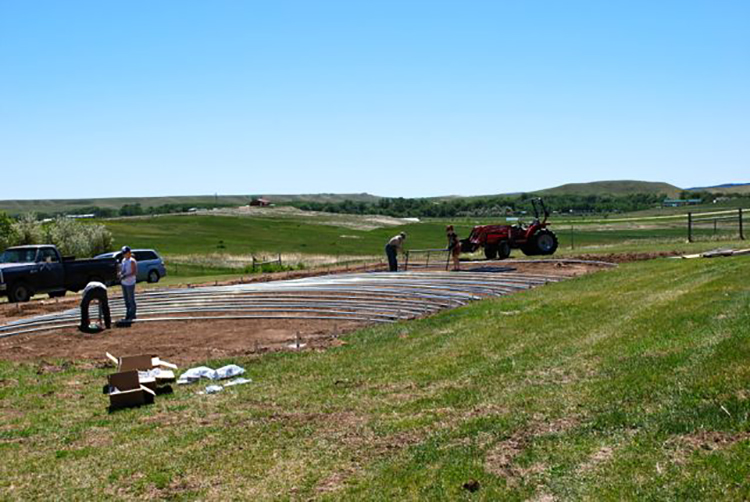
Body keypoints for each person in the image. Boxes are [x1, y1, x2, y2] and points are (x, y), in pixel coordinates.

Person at [119, 246, 138, 321]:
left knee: (131, 299)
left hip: (130, 282)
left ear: (129, 253)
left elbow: (134, 272)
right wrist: (120, 274)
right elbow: (123, 270)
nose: (124, 255)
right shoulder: (123, 260)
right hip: (124, 282)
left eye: (125, 253)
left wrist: (125, 276)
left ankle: (132, 314)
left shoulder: (132, 261)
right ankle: (128, 313)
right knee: (126, 299)